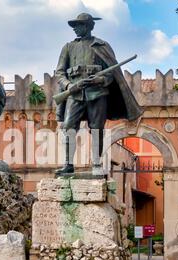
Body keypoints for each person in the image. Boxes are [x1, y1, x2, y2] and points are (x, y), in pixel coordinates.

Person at [55, 13, 143, 175]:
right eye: (74, 26)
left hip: (97, 94)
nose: (75, 28)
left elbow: (113, 74)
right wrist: (69, 85)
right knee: (68, 127)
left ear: (88, 26)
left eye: (78, 25)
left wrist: (100, 80)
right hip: (75, 94)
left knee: (97, 129)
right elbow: (59, 73)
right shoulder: (68, 47)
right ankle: (68, 164)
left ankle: (96, 163)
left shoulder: (101, 46)